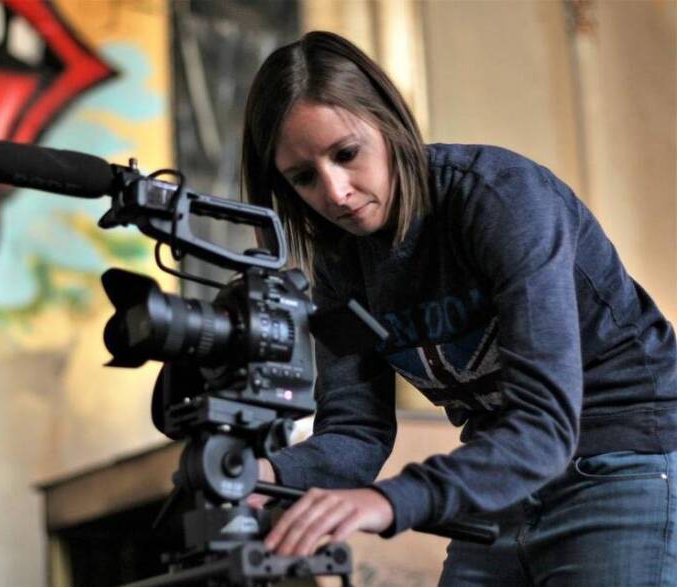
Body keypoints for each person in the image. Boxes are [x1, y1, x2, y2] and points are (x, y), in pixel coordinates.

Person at [241, 30, 677, 585]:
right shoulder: (340, 265)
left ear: (389, 122)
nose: (337, 192)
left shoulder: (501, 198)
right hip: (499, 481)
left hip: (622, 462)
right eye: (304, 177)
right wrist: (267, 472)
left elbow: (545, 423)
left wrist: (391, 501)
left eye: (347, 154)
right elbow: (355, 430)